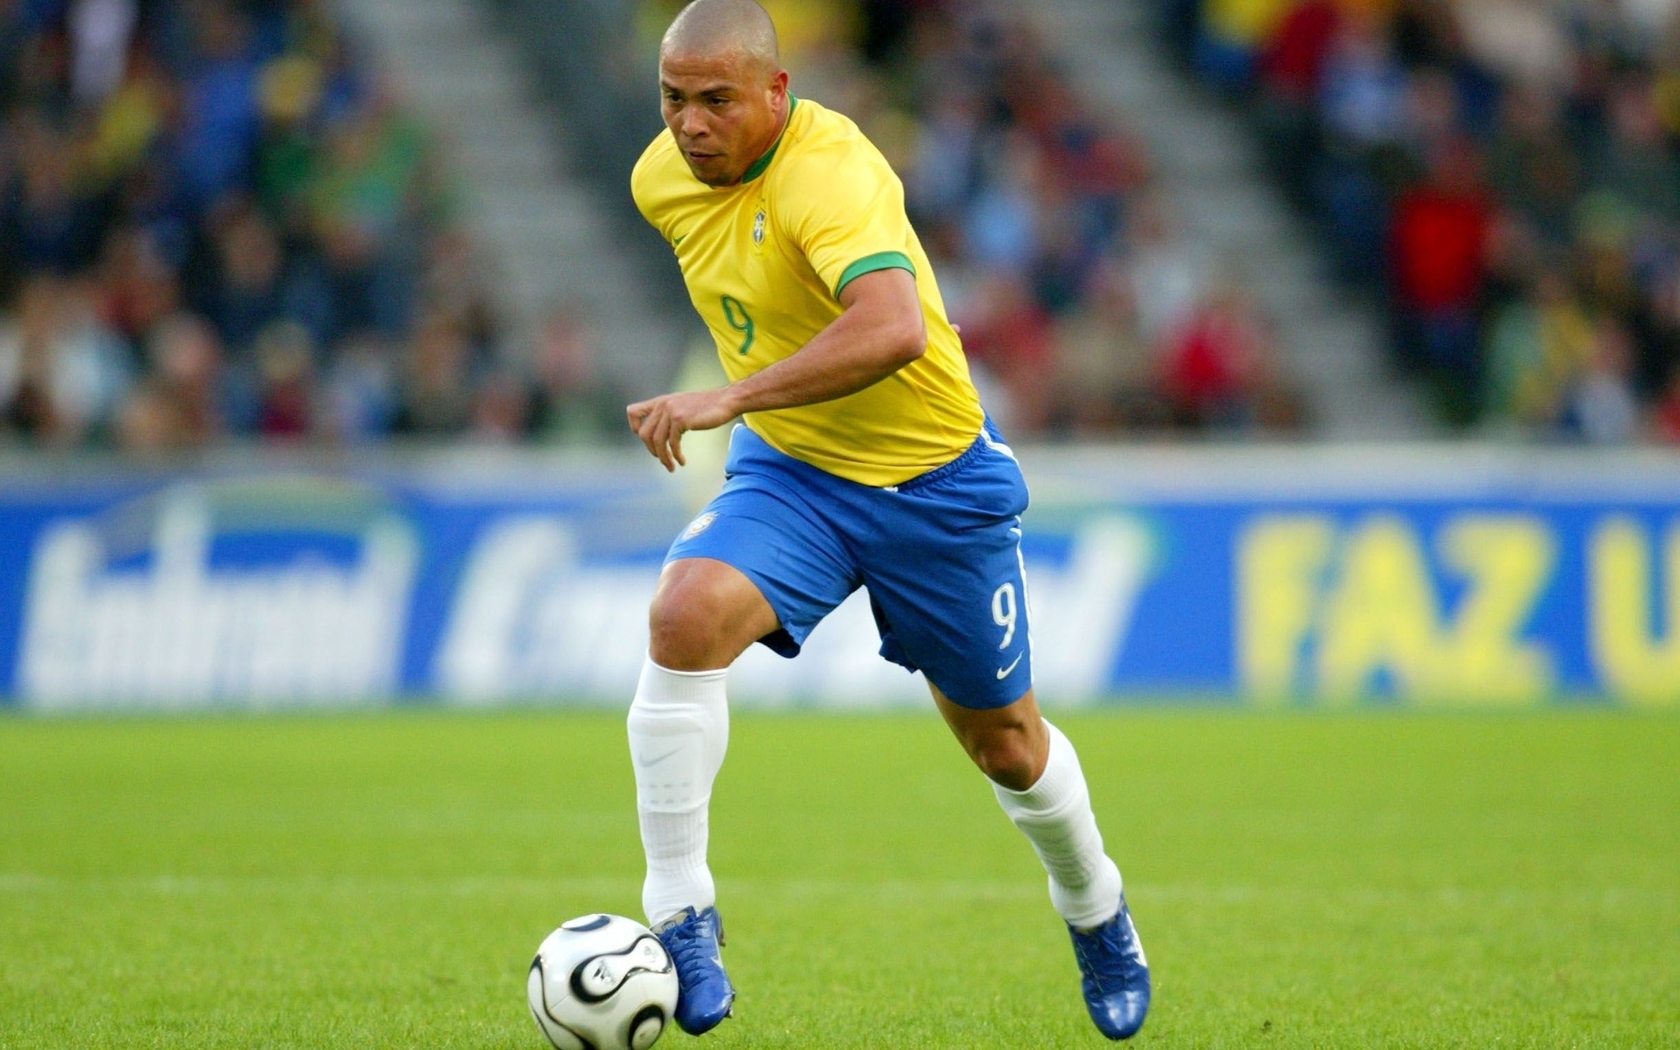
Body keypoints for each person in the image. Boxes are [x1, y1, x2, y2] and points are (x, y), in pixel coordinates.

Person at [623, 0, 1149, 1039]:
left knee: (1007, 747)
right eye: (674, 99)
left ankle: (1096, 907)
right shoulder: (660, 181)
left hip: (933, 484)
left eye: (717, 99)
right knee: (683, 616)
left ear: (778, 91)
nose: (690, 124)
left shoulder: (831, 171)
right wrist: (758, 407)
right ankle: (679, 914)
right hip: (797, 472)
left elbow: (896, 326)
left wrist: (730, 397)